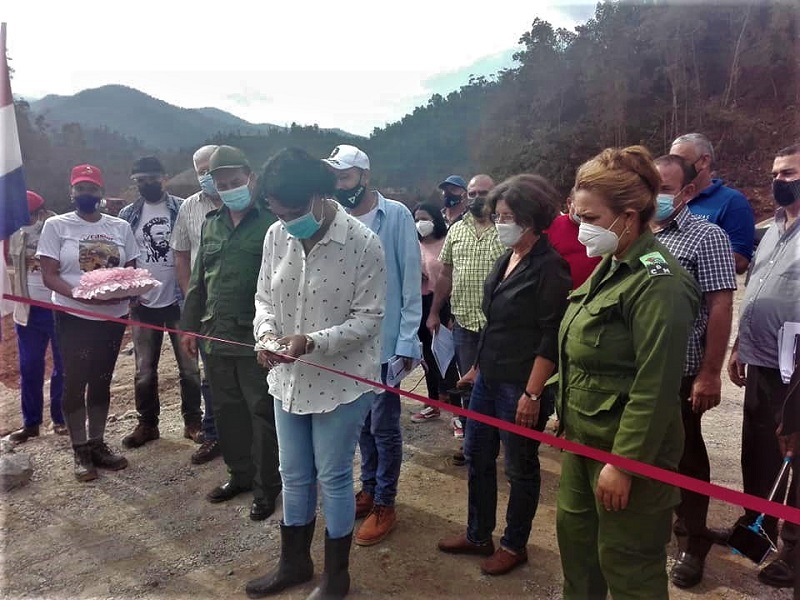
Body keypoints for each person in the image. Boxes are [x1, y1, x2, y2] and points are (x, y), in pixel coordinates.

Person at [555, 146, 700, 599]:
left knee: (628, 566)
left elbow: (655, 388)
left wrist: (624, 463)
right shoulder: (609, 267)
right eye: (578, 216)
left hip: (626, 455)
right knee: (579, 557)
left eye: (592, 218)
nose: (582, 229)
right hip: (582, 442)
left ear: (629, 215)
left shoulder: (659, 283)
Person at [245, 147, 386, 600]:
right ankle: (294, 563)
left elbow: (369, 318)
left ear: (317, 197)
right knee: (294, 473)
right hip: (287, 377)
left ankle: (336, 576)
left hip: (341, 381)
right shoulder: (276, 235)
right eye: (277, 212)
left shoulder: (363, 243)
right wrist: (267, 336)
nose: (286, 221)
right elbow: (264, 296)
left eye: (292, 211)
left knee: (334, 475)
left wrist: (313, 341)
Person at [437, 174, 571, 576]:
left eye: (508, 216)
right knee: (478, 455)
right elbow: (492, 322)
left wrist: (532, 395)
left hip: (521, 385)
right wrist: (477, 367)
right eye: (497, 216)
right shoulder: (505, 257)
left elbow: (551, 337)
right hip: (489, 378)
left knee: (519, 466)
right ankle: (478, 534)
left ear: (532, 218)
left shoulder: (552, 268)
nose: (500, 223)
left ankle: (515, 544)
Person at [323, 143, 422, 547]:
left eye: (345, 177)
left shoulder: (395, 216)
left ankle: (386, 501)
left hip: (384, 345)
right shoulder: (335, 217)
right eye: (335, 178)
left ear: (364, 176)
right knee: (360, 423)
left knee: (384, 426)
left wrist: (406, 342)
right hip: (349, 343)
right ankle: (368, 486)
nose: (339, 185)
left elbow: (410, 280)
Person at [714, 143, 800, 589]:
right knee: (758, 452)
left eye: (788, 173)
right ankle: (756, 526)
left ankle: (792, 552)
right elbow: (757, 294)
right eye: (776, 172)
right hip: (762, 361)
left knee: (797, 459)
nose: (779, 181)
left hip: (797, 374)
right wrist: (738, 347)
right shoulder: (772, 229)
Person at [179, 145, 281, 521]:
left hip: (255, 339)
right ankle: (239, 475)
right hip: (214, 336)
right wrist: (189, 328)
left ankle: (266, 486)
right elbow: (197, 283)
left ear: (251, 178)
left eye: (235, 182)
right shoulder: (211, 224)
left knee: (261, 413)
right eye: (222, 184)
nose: (229, 188)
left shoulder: (272, 222)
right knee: (225, 412)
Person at [651, 154, 737, 588]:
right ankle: (655, 528)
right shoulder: (631, 234)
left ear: (687, 192)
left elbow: (720, 305)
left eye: (664, 189)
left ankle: (692, 539)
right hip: (637, 372)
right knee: (645, 451)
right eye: (649, 185)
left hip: (682, 371)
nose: (655, 196)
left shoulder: (708, 237)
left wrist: (709, 373)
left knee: (685, 454)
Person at [37, 164, 140, 481]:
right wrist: (81, 295)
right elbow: (50, 275)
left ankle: (97, 443)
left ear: (100, 192)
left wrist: (132, 290)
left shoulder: (119, 227)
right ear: (72, 192)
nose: (86, 194)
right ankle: (79, 449)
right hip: (74, 316)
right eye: (80, 188)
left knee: (102, 379)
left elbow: (131, 267)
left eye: (91, 188)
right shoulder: (56, 226)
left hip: (112, 316)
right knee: (75, 380)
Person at [118, 156, 203, 450]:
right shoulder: (128, 214)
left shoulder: (182, 208)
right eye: (141, 180)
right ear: (135, 183)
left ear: (164, 178)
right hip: (143, 302)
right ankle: (147, 423)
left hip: (180, 300)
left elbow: (195, 250)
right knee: (144, 369)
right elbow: (125, 256)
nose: (147, 184)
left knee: (190, 367)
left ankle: (193, 422)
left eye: (152, 178)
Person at [428, 174, 505, 453]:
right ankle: (475, 443)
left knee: (496, 383)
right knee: (468, 384)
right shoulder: (456, 230)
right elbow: (446, 275)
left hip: (498, 326)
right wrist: (435, 311)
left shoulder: (506, 229)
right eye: (471, 194)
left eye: (483, 192)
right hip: (464, 323)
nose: (476, 198)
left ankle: (498, 438)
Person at [171, 144, 223, 465]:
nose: (206, 176)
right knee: (210, 375)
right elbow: (180, 253)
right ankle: (213, 433)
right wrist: (190, 297)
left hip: (246, 309)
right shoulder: (189, 208)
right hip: (205, 307)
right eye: (200, 171)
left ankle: (251, 438)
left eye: (211, 169)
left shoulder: (250, 205)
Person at [8, 191, 66, 442]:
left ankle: (61, 418)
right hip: (27, 311)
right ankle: (31, 423)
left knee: (64, 367)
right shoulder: (11, 234)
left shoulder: (60, 229)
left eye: (30, 215)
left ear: (41, 212)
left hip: (59, 307)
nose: (26, 219)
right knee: (29, 367)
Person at [670, 133, 755, 274]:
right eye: (672, 161)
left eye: (682, 161)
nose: (676, 168)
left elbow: (740, 261)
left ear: (704, 161)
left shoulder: (732, 202)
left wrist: (682, 261)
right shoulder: (668, 200)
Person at [409, 203, 459, 423]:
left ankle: (459, 412)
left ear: (435, 219)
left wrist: (447, 314)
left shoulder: (446, 242)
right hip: (419, 303)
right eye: (416, 218)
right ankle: (433, 402)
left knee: (446, 358)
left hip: (442, 303)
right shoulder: (413, 244)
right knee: (427, 357)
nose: (420, 223)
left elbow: (451, 276)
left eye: (424, 218)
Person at [547, 190, 601, 289]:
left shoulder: (603, 228)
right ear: (569, 203)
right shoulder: (551, 227)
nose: (585, 212)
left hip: (598, 292)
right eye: (581, 207)